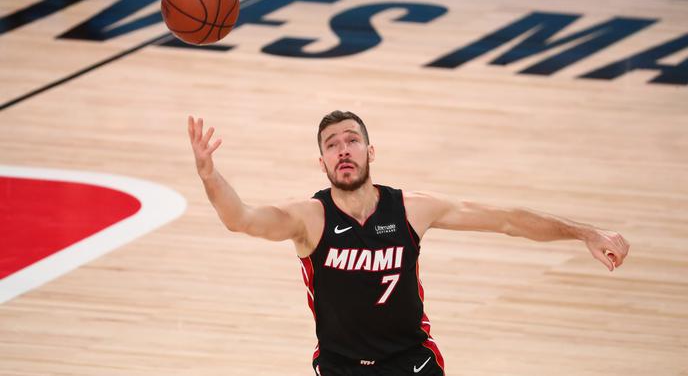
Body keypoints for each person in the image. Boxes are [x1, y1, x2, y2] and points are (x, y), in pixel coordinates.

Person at [187, 110, 630, 376]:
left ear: (370, 152)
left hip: (411, 364)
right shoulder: (310, 218)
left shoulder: (412, 209)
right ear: (320, 161)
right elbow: (240, 219)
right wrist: (210, 176)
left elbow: (508, 221)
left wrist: (585, 232)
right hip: (342, 368)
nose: (343, 149)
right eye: (332, 144)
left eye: (352, 140)